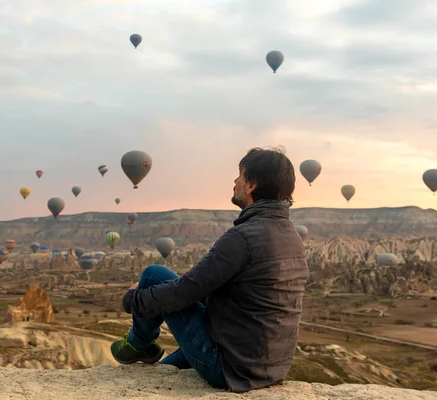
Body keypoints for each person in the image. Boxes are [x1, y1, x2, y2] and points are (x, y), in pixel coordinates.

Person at [110, 147, 309, 393]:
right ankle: (142, 348)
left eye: (240, 175)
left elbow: (184, 293)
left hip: (230, 367)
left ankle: (137, 345)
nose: (235, 181)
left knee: (153, 275)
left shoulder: (242, 237)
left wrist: (132, 299)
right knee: (162, 368)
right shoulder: (292, 236)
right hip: (268, 365)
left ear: (251, 186)